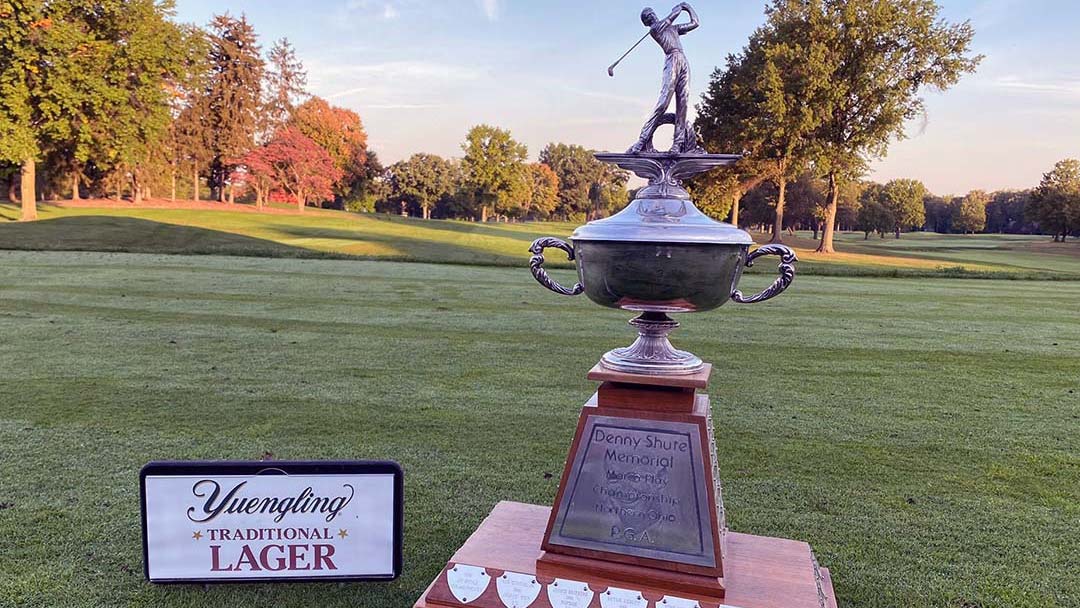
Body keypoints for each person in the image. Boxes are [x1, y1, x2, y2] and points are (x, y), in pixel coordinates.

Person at [628, 3, 703, 154]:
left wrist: (688, 7)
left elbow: (695, 23)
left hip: (683, 60)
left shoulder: (673, 29)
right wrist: (678, 8)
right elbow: (671, 17)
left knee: (683, 104)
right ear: (647, 22)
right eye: (648, 16)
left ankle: (677, 144)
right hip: (671, 60)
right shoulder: (655, 30)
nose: (652, 15)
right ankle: (642, 141)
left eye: (651, 12)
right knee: (663, 103)